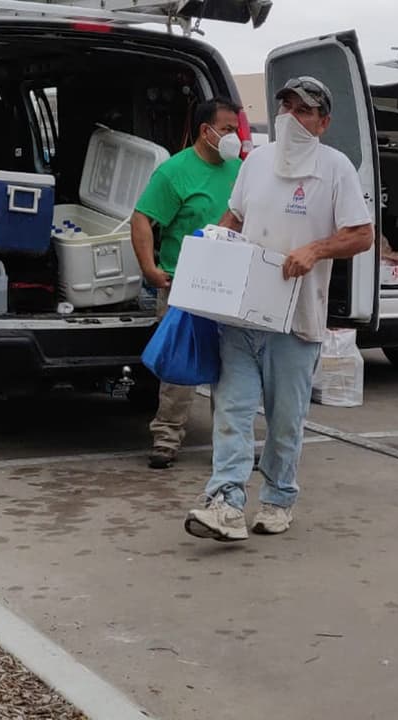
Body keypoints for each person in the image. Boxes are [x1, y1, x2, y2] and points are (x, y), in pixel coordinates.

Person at [184, 76, 373, 542]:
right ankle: (225, 502)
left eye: (304, 110)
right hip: (242, 315)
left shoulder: (336, 168)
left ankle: (279, 497)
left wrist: (315, 250)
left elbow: (362, 234)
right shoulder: (257, 161)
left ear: (324, 122)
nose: (293, 117)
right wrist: (216, 240)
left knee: (286, 418)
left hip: (297, 318)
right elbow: (236, 216)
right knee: (232, 410)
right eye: (286, 107)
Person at [132, 99, 243, 470]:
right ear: (205, 131)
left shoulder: (240, 171)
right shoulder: (174, 172)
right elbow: (143, 219)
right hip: (184, 285)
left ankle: (231, 445)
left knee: (230, 370)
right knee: (179, 369)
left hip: (229, 285)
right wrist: (149, 268)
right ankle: (166, 438)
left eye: (236, 129)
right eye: (227, 129)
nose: (234, 137)